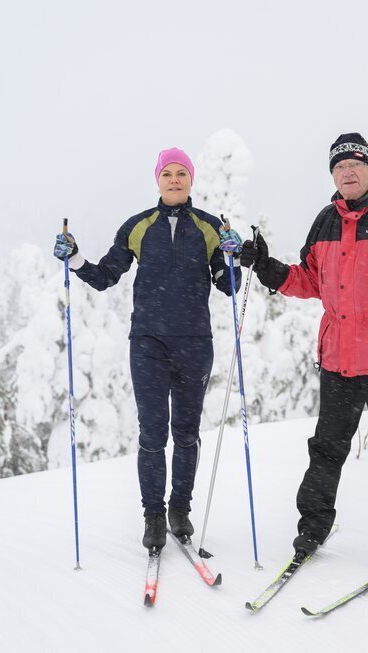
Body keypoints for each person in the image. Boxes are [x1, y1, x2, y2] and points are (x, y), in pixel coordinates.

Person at [239, 133, 368, 566]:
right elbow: (309, 281)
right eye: (340, 167)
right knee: (326, 449)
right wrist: (266, 266)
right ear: (333, 176)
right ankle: (312, 528)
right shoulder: (324, 222)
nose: (348, 172)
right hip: (337, 362)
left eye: (355, 164)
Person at [53, 147, 241, 552]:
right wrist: (75, 259)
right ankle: (153, 515)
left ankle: (179, 510)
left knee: (186, 434)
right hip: (148, 344)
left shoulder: (209, 227)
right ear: (157, 180)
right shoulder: (138, 226)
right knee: (153, 433)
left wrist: (232, 257)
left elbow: (228, 286)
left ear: (192, 181)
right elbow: (105, 276)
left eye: (182, 174)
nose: (174, 180)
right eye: (167, 174)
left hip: (194, 343)